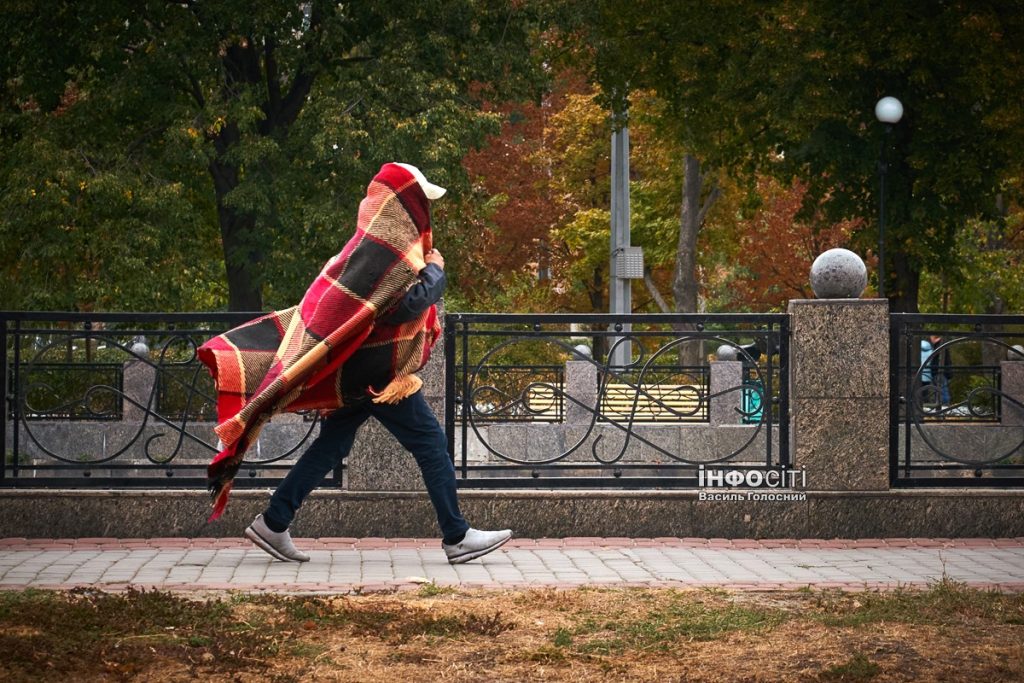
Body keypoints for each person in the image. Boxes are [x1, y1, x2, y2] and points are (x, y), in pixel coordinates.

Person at [199, 163, 511, 564]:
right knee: (431, 445)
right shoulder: (383, 256)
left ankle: (274, 522)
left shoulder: (360, 250)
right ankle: (456, 537)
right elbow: (405, 307)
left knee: (332, 445)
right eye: (420, 203)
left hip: (354, 372)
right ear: (404, 206)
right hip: (375, 374)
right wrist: (436, 272)